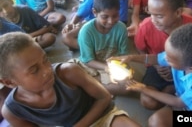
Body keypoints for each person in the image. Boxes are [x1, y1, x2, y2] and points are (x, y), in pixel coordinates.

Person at [0, 32, 141, 127]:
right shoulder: (13, 111)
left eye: (45, 60)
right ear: (9, 82)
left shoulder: (67, 72)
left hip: (100, 116)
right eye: (34, 70)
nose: (47, 70)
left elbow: (104, 98)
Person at [109, 23, 192, 127]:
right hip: (188, 98)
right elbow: (156, 58)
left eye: (170, 59)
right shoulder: (183, 56)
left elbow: (179, 102)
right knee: (158, 115)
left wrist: (143, 89)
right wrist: (131, 57)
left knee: (156, 121)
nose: (165, 58)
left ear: (191, 68)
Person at [76, 0, 130, 96]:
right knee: (71, 71)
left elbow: (124, 56)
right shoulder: (86, 32)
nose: (110, 21)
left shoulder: (122, 29)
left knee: (128, 87)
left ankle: (89, 84)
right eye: (105, 17)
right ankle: (92, 83)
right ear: (94, 12)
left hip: (112, 65)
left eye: (115, 16)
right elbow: (88, 61)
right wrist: (107, 68)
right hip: (91, 66)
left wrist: (120, 69)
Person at [62, 0, 129, 50]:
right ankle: (93, 48)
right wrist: (71, 24)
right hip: (89, 24)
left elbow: (122, 22)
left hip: (111, 28)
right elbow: (79, 15)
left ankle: (94, 48)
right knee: (67, 37)